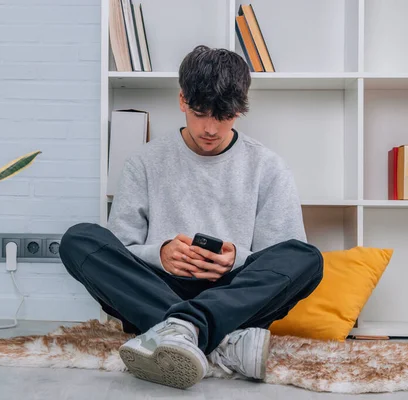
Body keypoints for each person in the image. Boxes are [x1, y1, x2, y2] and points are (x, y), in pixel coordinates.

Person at [59, 45, 323, 390]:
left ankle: (179, 330)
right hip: (158, 287)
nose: (210, 128)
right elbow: (121, 246)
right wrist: (162, 253)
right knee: (79, 239)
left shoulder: (268, 167)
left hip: (233, 294)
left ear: (239, 111)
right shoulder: (145, 162)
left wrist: (233, 260)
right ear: (183, 100)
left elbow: (279, 257)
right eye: (201, 113)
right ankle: (223, 343)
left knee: (307, 258)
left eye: (223, 116)